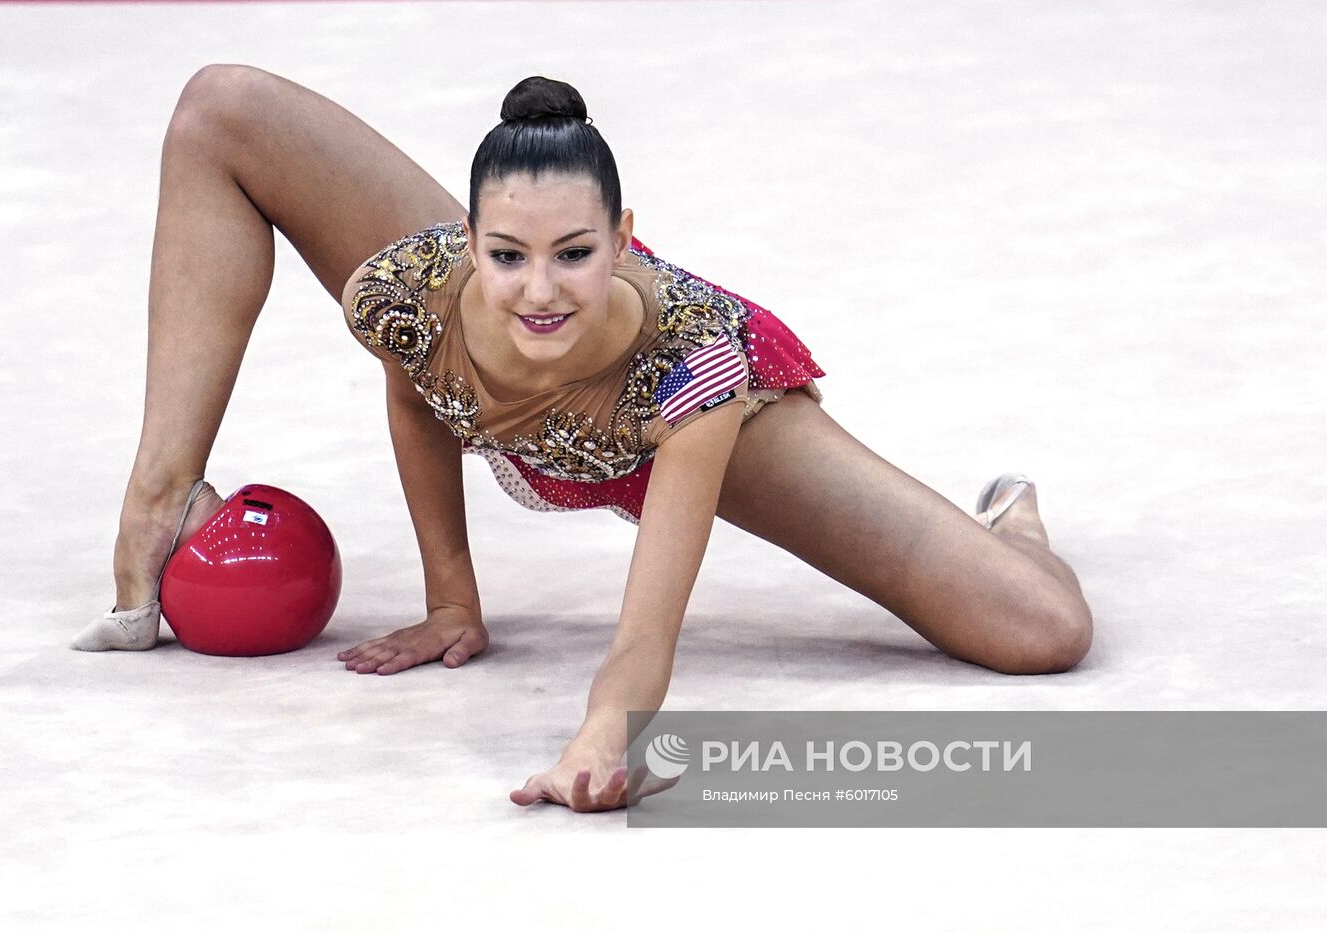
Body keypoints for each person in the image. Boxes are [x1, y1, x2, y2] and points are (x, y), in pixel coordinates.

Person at [72, 67, 1093, 813]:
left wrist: (609, 728)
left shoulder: (693, 358)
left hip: (663, 405)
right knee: (222, 108)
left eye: (574, 253)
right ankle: (157, 505)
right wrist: (449, 599)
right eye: (506, 253)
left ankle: (1008, 520)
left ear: (621, 238)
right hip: (524, 341)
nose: (541, 288)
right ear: (465, 245)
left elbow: (652, 618)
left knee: (1036, 631)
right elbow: (420, 389)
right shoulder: (410, 290)